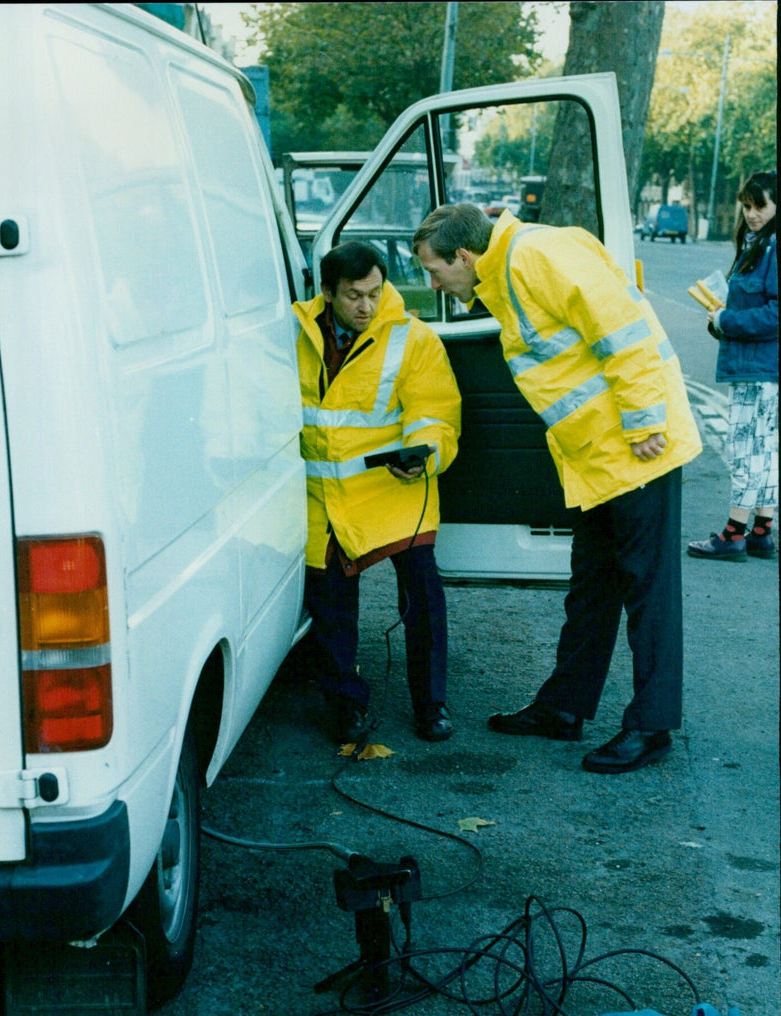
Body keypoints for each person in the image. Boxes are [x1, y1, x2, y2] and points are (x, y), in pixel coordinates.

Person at [412, 203, 702, 774]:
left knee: (650, 591)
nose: (432, 282)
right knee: (592, 587)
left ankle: (652, 725)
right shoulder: (508, 269)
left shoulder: (537, 255)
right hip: (600, 456)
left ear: (464, 256)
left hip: (636, 446)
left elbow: (622, 331)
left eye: (434, 270)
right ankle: (564, 708)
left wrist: (645, 420)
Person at [293, 241, 461, 745]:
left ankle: (432, 705)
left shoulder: (413, 339)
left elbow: (436, 412)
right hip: (323, 496)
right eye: (352, 296)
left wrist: (425, 451)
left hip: (394, 489)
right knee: (331, 605)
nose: (366, 306)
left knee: (423, 596)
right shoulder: (293, 336)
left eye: (374, 292)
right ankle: (345, 703)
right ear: (326, 293)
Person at [688, 169, 777, 562]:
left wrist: (725, 320)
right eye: (747, 206)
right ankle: (760, 530)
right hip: (759, 366)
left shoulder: (772, 248)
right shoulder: (758, 245)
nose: (752, 214)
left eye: (760, 206)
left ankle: (733, 534)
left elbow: (775, 313)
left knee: (745, 451)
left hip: (758, 369)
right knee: (766, 451)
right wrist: (720, 317)